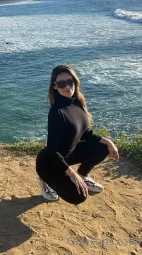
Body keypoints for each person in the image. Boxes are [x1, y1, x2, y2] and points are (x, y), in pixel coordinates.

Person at [36, 64, 119, 204]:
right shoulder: (57, 112)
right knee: (79, 196)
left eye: (70, 82)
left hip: (69, 155)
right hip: (50, 162)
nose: (68, 87)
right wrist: (71, 174)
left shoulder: (77, 102)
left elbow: (85, 133)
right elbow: (52, 150)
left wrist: (108, 142)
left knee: (103, 147)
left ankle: (83, 175)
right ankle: (45, 181)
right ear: (54, 86)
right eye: (62, 84)